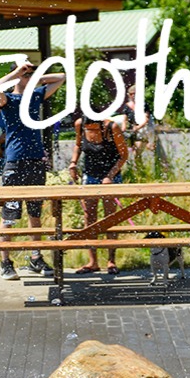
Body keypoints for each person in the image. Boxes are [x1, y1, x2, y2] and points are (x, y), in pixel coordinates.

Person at [0, 62, 65, 280]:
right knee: (10, 215)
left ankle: (36, 257)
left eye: (31, 74)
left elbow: (61, 77)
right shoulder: (9, 100)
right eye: (26, 75)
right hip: (15, 163)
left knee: (35, 214)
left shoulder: (35, 95)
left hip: (35, 162)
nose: (29, 77)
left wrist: (37, 77)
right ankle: (6, 262)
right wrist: (17, 73)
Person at [68, 116, 129, 275]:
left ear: (102, 124)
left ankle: (111, 260)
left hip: (111, 175)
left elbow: (124, 155)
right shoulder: (79, 125)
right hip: (90, 175)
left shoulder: (112, 128)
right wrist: (73, 163)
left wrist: (110, 175)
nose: (92, 132)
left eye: (95, 129)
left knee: (110, 218)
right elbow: (78, 145)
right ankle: (93, 261)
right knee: (89, 218)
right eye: (89, 130)